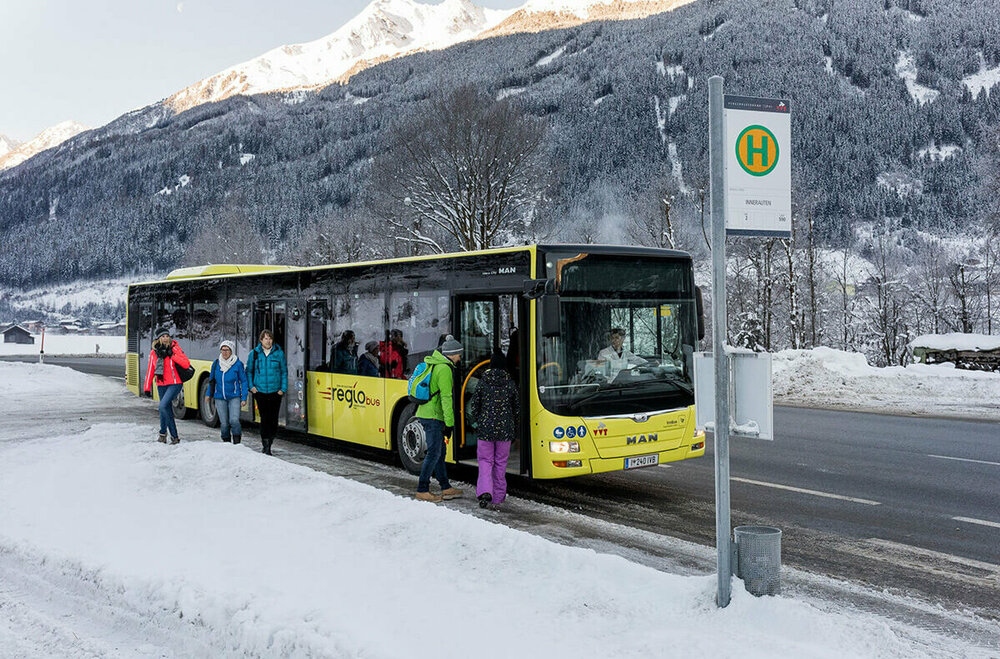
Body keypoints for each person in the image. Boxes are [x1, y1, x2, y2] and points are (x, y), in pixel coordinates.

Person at [414, 335, 465, 503]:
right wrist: (449, 424)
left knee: (440, 452)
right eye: (459, 354)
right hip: (433, 417)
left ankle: (445, 487)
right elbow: (446, 398)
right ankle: (422, 489)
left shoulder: (436, 363)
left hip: (427, 413)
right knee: (434, 453)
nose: (460, 357)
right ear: (452, 354)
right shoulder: (444, 369)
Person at [469, 349, 519, 511]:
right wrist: (513, 427)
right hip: (505, 432)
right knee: (500, 463)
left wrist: (478, 422)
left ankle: (484, 491)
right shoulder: (510, 384)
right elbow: (516, 409)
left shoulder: (482, 383)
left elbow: (474, 407)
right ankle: (498, 497)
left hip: (485, 431)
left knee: (485, 461)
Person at [142, 327, 191, 444]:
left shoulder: (175, 348)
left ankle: (174, 436)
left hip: (175, 383)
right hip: (161, 384)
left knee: (162, 406)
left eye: (167, 336)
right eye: (163, 336)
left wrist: (172, 355)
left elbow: (186, 363)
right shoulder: (154, 352)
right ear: (158, 339)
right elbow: (151, 370)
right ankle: (163, 435)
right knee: (165, 409)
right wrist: (147, 387)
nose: (165, 338)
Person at [246, 329, 287, 455]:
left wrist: (282, 389)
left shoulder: (279, 354)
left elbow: (284, 372)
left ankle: (271, 441)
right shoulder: (254, 354)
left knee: (273, 419)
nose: (268, 341)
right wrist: (252, 387)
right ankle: (266, 446)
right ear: (261, 340)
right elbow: (249, 371)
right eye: (265, 338)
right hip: (261, 392)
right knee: (264, 418)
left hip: (275, 392)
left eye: (269, 338)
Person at [206, 340, 249, 444]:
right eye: (222, 350)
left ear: (231, 351)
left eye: (227, 350)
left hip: (234, 396)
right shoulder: (216, 364)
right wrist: (208, 394)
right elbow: (211, 381)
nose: (224, 352)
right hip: (220, 397)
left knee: (234, 421)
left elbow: (243, 381)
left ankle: (237, 442)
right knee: (224, 423)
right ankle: (226, 443)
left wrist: (244, 397)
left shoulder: (237, 364)